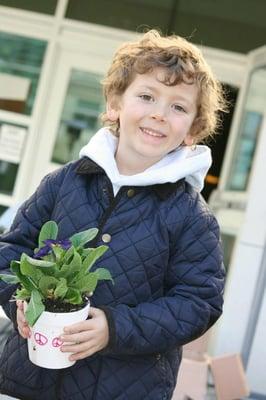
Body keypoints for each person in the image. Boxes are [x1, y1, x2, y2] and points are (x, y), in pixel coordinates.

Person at [0, 29, 226, 400]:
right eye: (147, 96)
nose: (158, 113)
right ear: (115, 104)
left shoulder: (191, 216)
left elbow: (199, 303)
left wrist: (115, 327)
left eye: (178, 107)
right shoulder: (64, 183)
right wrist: (19, 302)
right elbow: (10, 251)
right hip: (27, 380)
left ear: (193, 130)